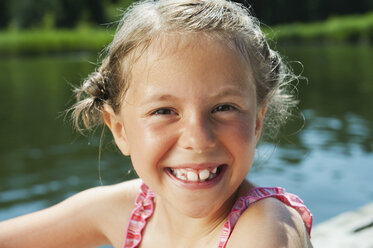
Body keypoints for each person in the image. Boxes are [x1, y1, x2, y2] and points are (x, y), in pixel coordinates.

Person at [0, 0, 313, 247]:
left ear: (257, 122)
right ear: (119, 129)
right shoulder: (126, 207)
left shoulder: (269, 227)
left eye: (224, 107)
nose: (198, 138)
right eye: (164, 111)